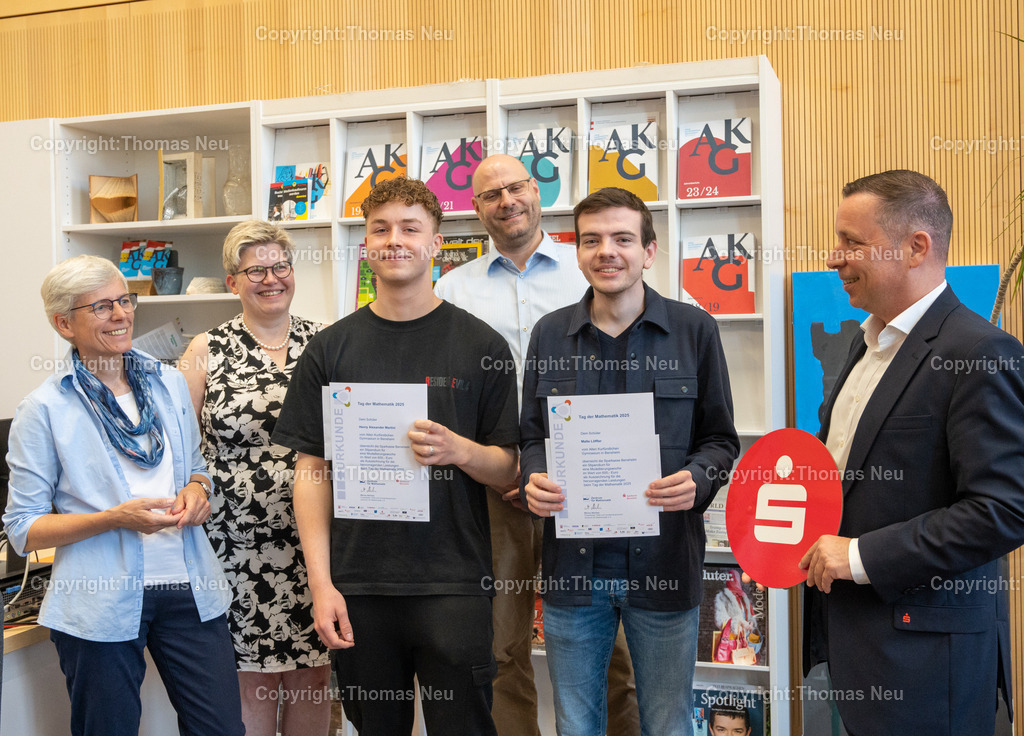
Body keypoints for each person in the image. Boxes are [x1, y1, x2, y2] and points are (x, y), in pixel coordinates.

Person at [272, 177, 520, 735]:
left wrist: (459, 451)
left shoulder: (481, 346)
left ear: (436, 243)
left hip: (453, 582)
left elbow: (509, 468)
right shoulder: (331, 347)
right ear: (366, 244)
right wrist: (321, 583)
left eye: (411, 228)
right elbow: (311, 473)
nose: (395, 240)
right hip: (359, 584)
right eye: (379, 228)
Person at [801, 169, 1024, 735]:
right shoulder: (863, 343)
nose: (834, 257)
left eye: (852, 242)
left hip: (926, 667)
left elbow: (1004, 510)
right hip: (855, 648)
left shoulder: (979, 351)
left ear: (916, 247)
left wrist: (858, 556)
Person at [520, 187, 740, 735]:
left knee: (666, 723)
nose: (606, 252)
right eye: (591, 240)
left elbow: (720, 440)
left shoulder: (695, 330)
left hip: (665, 565)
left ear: (649, 250)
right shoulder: (550, 333)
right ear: (578, 253)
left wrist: (698, 479)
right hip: (574, 572)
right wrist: (533, 477)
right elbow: (530, 436)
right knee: (577, 724)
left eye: (622, 238)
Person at [434, 153, 640, 736]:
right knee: (502, 646)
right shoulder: (453, 289)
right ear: (475, 209)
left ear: (535, 190)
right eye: (491, 194)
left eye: (516, 187)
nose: (507, 201)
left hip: (587, 486)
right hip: (495, 488)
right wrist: (502, 471)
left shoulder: (591, 270)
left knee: (611, 643)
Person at [2, 255, 243, 736]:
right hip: (100, 599)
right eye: (102, 306)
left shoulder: (170, 383)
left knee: (221, 729)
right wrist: (113, 518)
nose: (121, 314)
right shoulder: (44, 410)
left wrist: (199, 489)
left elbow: (196, 469)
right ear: (64, 323)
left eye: (124, 300)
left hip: (190, 588)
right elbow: (23, 529)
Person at [180, 221, 330, 736]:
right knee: (249, 676)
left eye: (280, 267)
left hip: (314, 538)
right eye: (256, 270)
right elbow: (179, 445)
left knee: (313, 672)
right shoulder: (206, 348)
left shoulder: (326, 343)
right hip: (234, 542)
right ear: (232, 281)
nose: (271, 279)